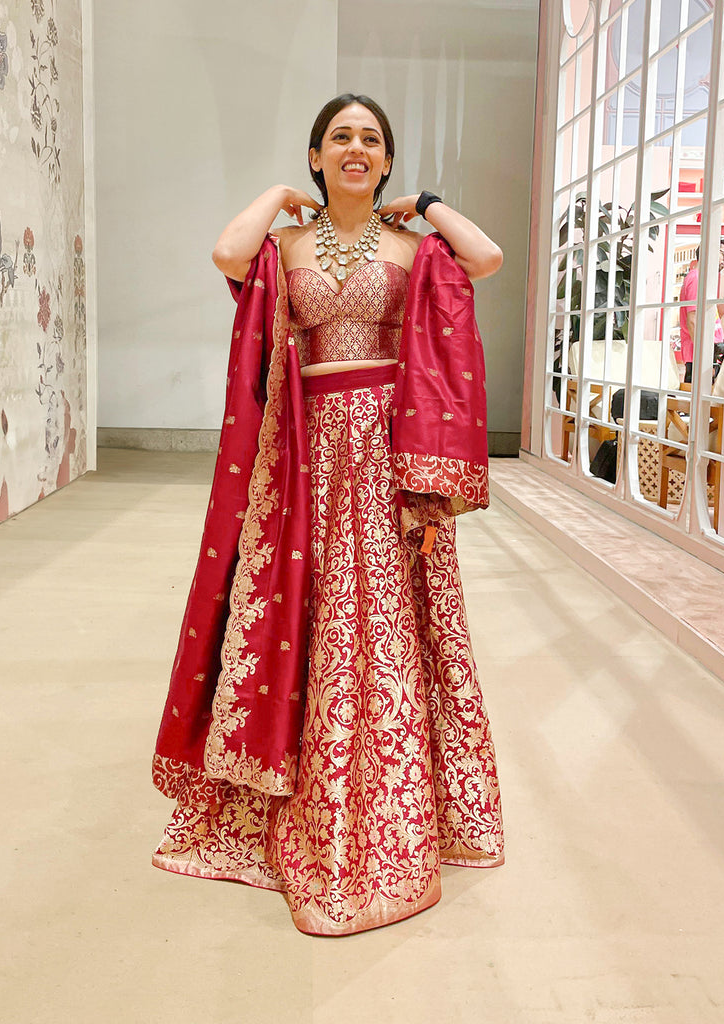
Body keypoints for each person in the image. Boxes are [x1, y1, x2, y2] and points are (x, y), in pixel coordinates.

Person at [151, 93, 505, 936]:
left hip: (389, 454)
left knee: (381, 624)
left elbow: (486, 257)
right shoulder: (285, 247)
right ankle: (305, 795)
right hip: (305, 459)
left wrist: (426, 203)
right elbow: (225, 251)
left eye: (371, 139)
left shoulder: (415, 248)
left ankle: (388, 810)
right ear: (317, 156)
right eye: (339, 137)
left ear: (386, 160)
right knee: (310, 620)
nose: (356, 148)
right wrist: (280, 195)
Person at [678, 243, 724, 383]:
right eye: (723, 254)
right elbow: (692, 320)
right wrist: (704, 356)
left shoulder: (701, 278)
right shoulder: (697, 278)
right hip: (700, 355)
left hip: (708, 352)